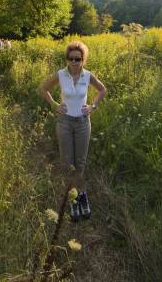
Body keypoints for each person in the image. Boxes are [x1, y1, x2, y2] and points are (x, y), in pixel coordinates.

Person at [39, 41, 107, 222]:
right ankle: (73, 199)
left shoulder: (88, 75)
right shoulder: (60, 75)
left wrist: (92, 106)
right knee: (67, 163)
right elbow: (43, 89)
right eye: (71, 58)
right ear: (67, 59)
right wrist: (54, 105)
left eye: (78, 58)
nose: (74, 62)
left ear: (83, 59)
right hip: (65, 123)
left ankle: (82, 196)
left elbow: (102, 90)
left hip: (83, 123)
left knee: (80, 163)